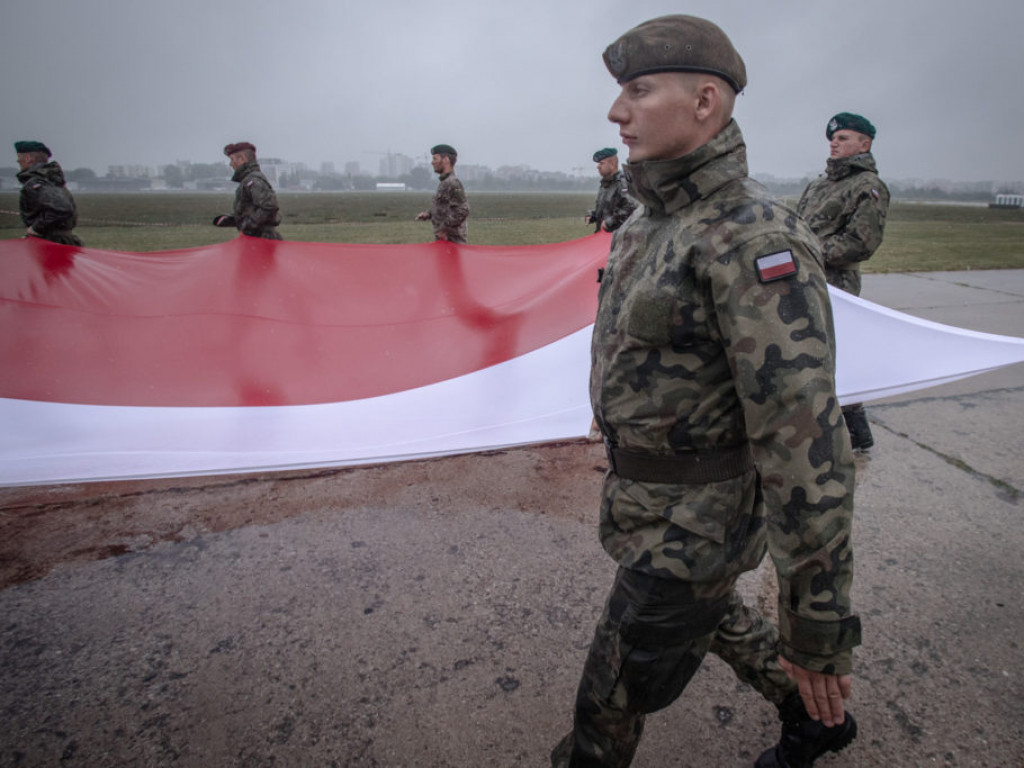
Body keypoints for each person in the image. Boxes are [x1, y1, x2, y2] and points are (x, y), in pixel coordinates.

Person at [552, 15, 861, 768]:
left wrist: (815, 632)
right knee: (713, 614)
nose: (615, 112)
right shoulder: (648, 224)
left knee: (605, 708)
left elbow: (807, 450)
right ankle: (812, 718)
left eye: (637, 90)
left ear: (706, 102)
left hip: (694, 529)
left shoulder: (751, 239)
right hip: (653, 510)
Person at [797, 113, 890, 452]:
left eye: (844, 138)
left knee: (832, 357)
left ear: (864, 144)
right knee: (805, 353)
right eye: (833, 138)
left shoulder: (868, 186)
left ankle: (855, 432)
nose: (835, 143)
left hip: (837, 284)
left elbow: (861, 242)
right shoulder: (819, 185)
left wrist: (809, 251)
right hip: (803, 278)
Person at [14, 140, 83, 246]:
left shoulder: (37, 183)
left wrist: (35, 229)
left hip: (51, 243)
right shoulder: (53, 179)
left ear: (28, 158)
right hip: (62, 241)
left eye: (19, 158)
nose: (18, 161)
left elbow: (61, 208)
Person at [213, 142, 282, 240]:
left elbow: (269, 207)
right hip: (257, 238)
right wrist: (234, 219)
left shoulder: (253, 180)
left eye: (232, 159)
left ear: (242, 159)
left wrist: (247, 225)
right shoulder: (248, 180)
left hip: (261, 240)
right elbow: (253, 210)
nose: (230, 164)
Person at [415, 144, 469, 244]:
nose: (432, 162)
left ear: (446, 160)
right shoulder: (445, 183)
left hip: (453, 242)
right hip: (444, 241)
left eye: (435, 159)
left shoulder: (454, 183)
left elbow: (462, 210)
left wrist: (445, 229)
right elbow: (444, 207)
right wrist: (429, 214)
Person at [585, 147, 636, 232]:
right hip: (601, 235)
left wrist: (610, 222)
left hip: (616, 236)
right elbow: (605, 209)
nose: (598, 167)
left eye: (601, 163)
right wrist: (592, 215)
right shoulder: (604, 184)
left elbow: (630, 207)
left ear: (612, 164)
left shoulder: (622, 182)